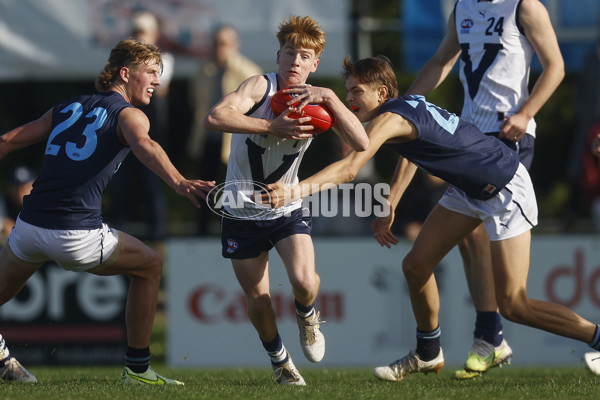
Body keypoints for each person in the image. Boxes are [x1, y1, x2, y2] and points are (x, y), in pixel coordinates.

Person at [259, 55, 600, 383]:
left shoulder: (390, 118)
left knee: (514, 305)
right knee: (415, 266)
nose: (350, 99)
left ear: (381, 93)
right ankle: (428, 352)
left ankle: (597, 337)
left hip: (505, 186)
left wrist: (293, 191)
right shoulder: (404, 108)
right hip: (469, 189)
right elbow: (414, 151)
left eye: (356, 91)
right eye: (346, 92)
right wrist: (391, 199)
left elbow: (350, 169)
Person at [0, 39, 214, 385]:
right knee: (151, 266)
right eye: (152, 72)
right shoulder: (129, 114)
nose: (158, 80)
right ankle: (138, 369)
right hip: (75, 235)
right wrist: (179, 182)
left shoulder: (66, 106)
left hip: (29, 228)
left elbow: (7, 141)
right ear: (125, 73)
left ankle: (2, 357)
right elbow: (145, 144)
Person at [203, 15, 368, 385]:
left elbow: (362, 143)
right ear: (278, 56)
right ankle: (280, 362)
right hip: (240, 210)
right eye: (290, 52)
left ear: (314, 64)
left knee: (305, 282)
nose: (295, 60)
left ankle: (308, 317)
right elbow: (215, 116)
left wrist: (329, 96)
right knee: (259, 300)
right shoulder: (259, 86)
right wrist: (269, 125)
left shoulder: (320, 102)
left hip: (286, 207)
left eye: (304, 55)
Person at [404, 0, 564, 378]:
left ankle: (489, 336)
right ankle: (491, 337)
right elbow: (442, 61)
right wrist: (406, 105)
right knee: (466, 239)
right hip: (471, 136)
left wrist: (526, 114)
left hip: (510, 138)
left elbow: (555, 66)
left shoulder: (524, 7)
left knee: (478, 237)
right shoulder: (462, 8)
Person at [108, 11, 174, 245]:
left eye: (144, 33)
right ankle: (116, 233)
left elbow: (158, 88)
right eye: (137, 33)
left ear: (154, 34)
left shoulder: (164, 58)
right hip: (122, 132)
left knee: (153, 184)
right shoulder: (123, 62)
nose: (140, 37)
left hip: (150, 134)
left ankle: (159, 237)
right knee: (120, 183)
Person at [189, 24, 262, 235]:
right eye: (216, 43)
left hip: (236, 143)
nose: (219, 48)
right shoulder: (202, 73)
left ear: (234, 45)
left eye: (223, 43)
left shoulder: (249, 72)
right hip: (207, 140)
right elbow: (196, 105)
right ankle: (202, 232)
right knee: (204, 189)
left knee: (235, 191)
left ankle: (235, 231)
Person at [0, 166, 36, 245]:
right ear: (9, 188)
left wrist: (13, 232)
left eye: (24, 186)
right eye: (16, 187)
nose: (20, 191)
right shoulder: (4, 202)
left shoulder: (41, 204)